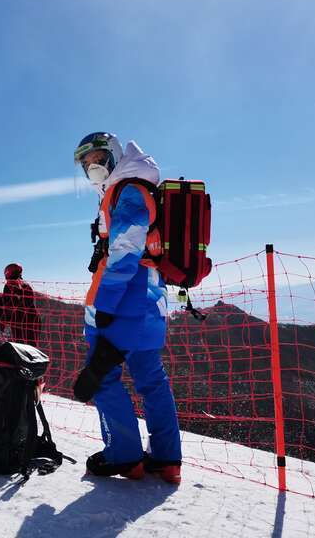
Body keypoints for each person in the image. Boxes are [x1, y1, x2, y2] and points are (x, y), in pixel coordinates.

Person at [73, 132, 182, 484]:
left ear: (115, 156)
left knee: (101, 378)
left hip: (125, 304)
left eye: (99, 159)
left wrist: (104, 304)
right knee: (151, 378)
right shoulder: (131, 188)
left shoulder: (128, 191)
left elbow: (124, 251)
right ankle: (166, 459)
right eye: (87, 164)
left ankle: (124, 456)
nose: (94, 168)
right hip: (150, 302)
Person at [0, 263, 41, 347]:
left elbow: (9, 305)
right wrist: (0, 322)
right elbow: (4, 304)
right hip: (25, 322)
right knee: (25, 348)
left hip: (27, 322)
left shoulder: (21, 286)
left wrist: (1, 322)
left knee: (26, 348)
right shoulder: (13, 286)